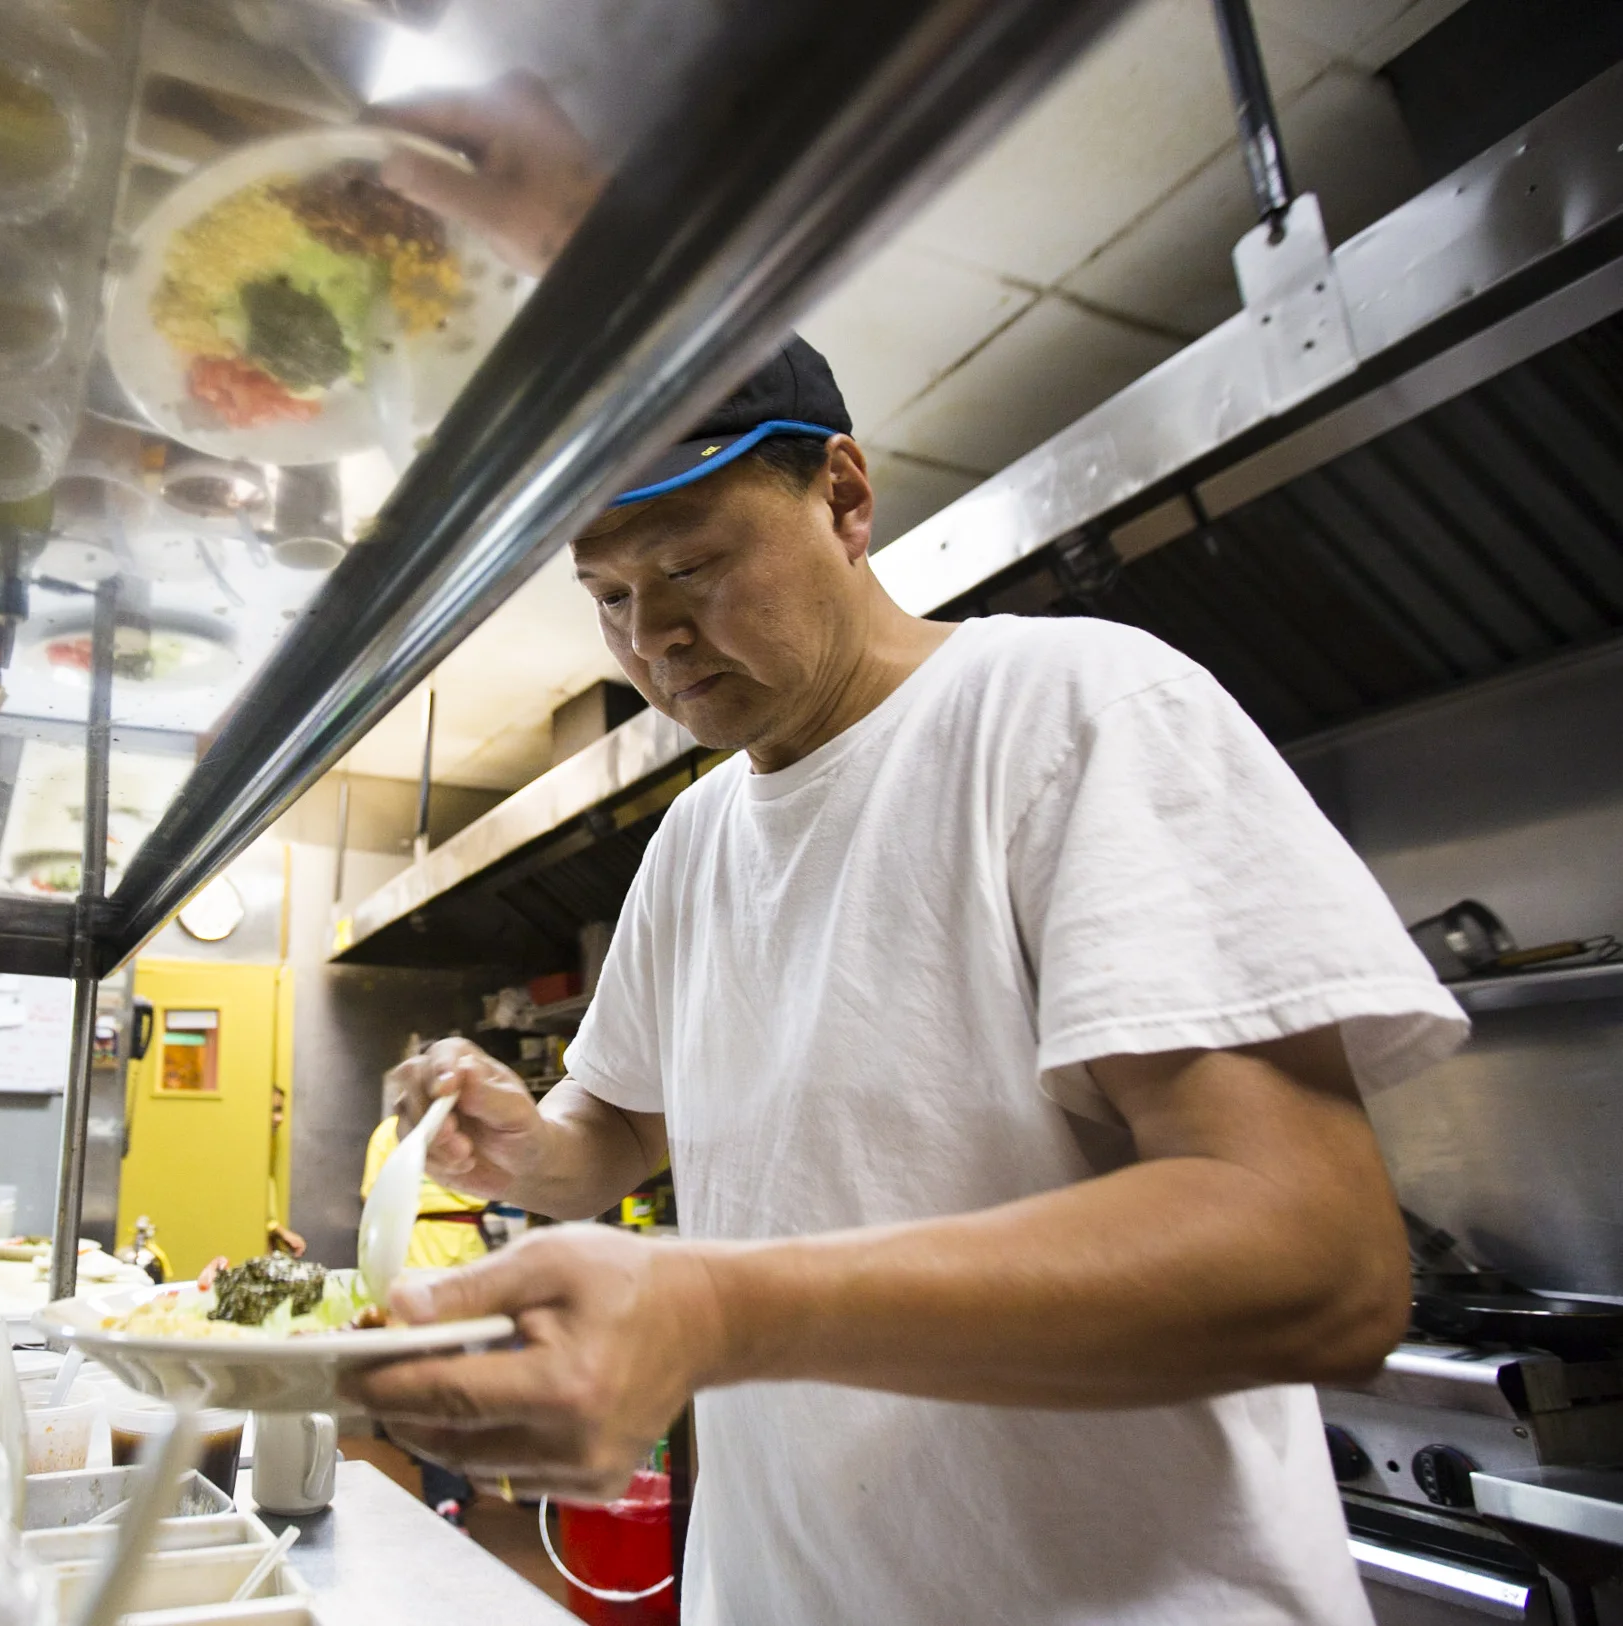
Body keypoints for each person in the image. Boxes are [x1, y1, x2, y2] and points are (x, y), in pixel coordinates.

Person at [350, 77, 1469, 1625]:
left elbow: (1321, 1258)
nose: (652, 636)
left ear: (845, 495)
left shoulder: (1067, 710)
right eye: (606, 595)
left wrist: (716, 1306)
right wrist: (514, 1141)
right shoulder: (691, 840)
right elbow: (613, 1137)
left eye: (689, 565)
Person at [361, 1061, 491, 1526]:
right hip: (442, 1257)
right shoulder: (465, 1133)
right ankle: (448, 1488)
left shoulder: (390, 1134)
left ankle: (451, 1483)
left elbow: (373, 1200)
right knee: (447, 1376)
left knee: (443, 1379)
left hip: (433, 1256)